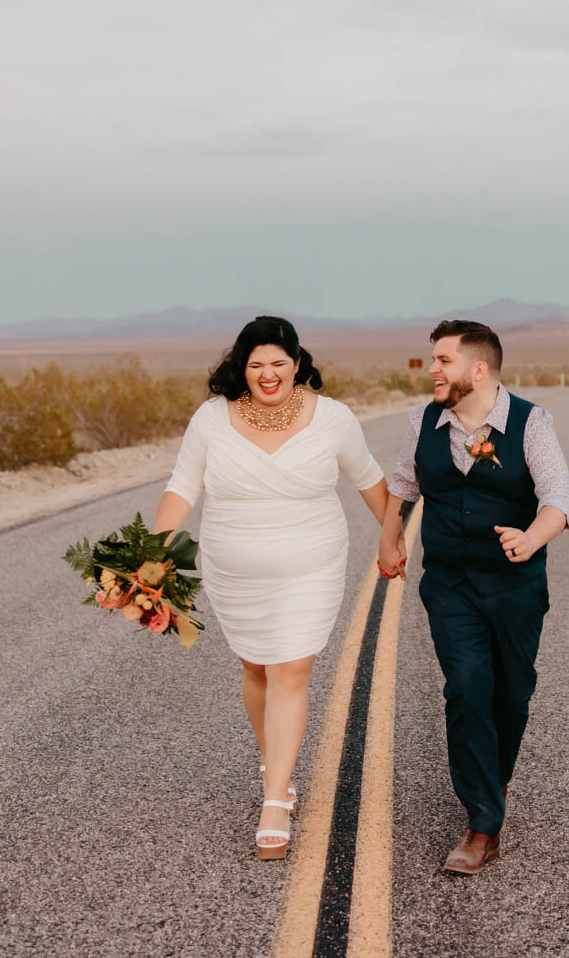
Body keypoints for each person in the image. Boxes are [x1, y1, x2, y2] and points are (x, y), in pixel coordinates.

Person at [150, 316, 390, 859]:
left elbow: (369, 479)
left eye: (278, 363)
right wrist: (150, 552)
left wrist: (393, 540)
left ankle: (275, 799)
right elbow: (182, 485)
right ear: (243, 367)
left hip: (311, 563)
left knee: (289, 667)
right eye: (257, 364)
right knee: (256, 666)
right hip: (234, 571)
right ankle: (273, 764)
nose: (267, 373)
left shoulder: (333, 418)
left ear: (298, 364)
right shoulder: (212, 418)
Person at [377, 320, 569, 875]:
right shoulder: (423, 420)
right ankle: (482, 821)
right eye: (433, 360)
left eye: (444, 360)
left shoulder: (531, 422)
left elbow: (558, 495)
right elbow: (402, 483)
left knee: (511, 695)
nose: (433, 370)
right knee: (466, 688)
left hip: (515, 585)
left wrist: (531, 538)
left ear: (478, 369)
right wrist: (388, 538)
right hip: (449, 583)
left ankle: (495, 775)